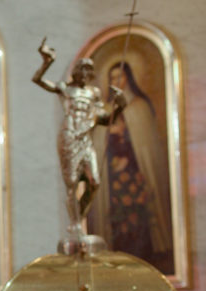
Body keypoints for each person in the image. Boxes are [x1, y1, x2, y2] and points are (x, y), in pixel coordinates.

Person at [32, 38, 126, 242]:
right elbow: (37, 80)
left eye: (88, 71)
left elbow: (106, 119)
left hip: (86, 140)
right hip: (69, 138)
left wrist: (120, 106)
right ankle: (76, 226)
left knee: (94, 182)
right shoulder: (65, 88)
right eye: (82, 70)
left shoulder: (93, 93)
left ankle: (77, 219)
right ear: (76, 72)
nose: (85, 74)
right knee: (72, 183)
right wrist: (47, 62)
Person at [90, 61, 173, 272]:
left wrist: (128, 157)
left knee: (139, 219)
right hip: (112, 179)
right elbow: (98, 145)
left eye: (120, 76)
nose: (116, 81)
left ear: (129, 78)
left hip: (136, 175)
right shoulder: (105, 110)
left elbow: (146, 147)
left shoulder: (139, 107)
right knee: (118, 219)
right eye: (112, 78)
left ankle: (145, 254)